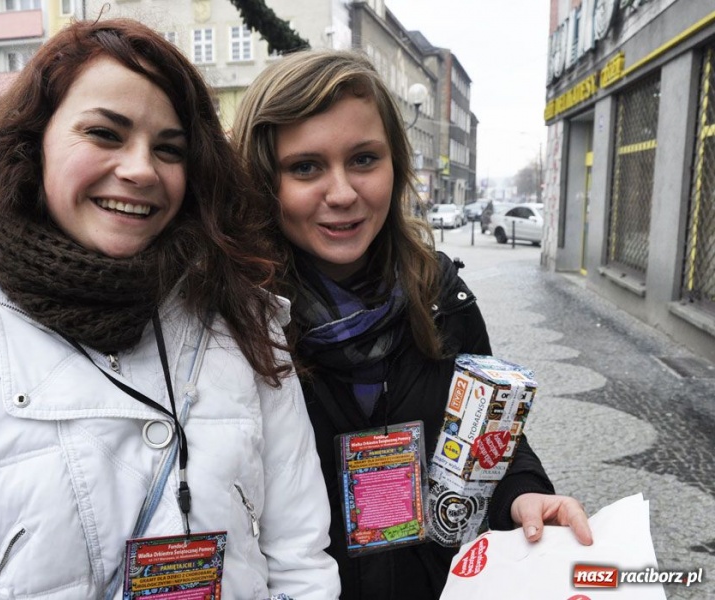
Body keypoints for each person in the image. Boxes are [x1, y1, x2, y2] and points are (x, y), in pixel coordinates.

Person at [0, 19, 340, 600]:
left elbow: (298, 558)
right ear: (31, 143)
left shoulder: (245, 324)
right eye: (105, 134)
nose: (142, 169)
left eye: (169, 149)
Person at [232, 49, 592, 599]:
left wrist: (523, 495)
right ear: (263, 179)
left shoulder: (441, 294)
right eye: (305, 167)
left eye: (363, 159)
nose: (343, 193)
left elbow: (488, 438)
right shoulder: (234, 323)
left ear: (395, 164)